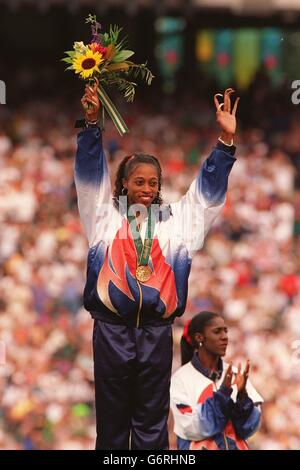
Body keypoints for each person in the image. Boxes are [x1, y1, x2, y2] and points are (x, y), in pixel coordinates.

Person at [74, 81, 239, 450]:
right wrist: (90, 124)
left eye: (153, 182)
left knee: (151, 427)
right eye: (138, 181)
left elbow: (205, 198)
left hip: (156, 333)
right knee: (113, 428)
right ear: (123, 184)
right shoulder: (102, 217)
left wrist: (225, 145)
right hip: (111, 331)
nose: (146, 188)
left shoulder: (177, 222)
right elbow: (88, 177)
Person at [170, 312, 263, 450]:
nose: (224, 337)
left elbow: (248, 428)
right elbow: (193, 428)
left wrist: (242, 396)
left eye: (226, 331)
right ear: (199, 337)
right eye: (217, 332)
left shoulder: (236, 373)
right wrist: (223, 394)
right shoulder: (181, 379)